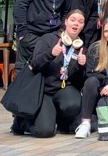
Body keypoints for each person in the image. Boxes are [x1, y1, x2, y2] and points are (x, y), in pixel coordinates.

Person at [12, 10, 87, 138]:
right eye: (73, 20)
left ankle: (58, 121)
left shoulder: (80, 48)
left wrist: (81, 66)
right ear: (66, 22)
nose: (76, 24)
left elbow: (79, 80)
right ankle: (21, 122)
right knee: (45, 131)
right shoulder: (48, 39)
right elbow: (35, 64)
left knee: (74, 104)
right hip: (43, 91)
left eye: (80, 22)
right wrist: (50, 53)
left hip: (62, 88)